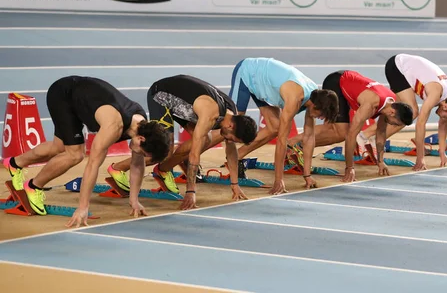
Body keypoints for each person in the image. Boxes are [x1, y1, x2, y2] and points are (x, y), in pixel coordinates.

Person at [2, 76, 170, 227]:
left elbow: (137, 164)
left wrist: (134, 200)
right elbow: (92, 166)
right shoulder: (113, 127)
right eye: (143, 153)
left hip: (83, 97)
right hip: (64, 94)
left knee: (58, 147)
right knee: (75, 154)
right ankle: (33, 186)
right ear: (141, 140)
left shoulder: (143, 126)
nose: (140, 156)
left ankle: (15, 163)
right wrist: (83, 207)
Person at [106, 74, 258, 210]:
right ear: (231, 127)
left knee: (207, 139)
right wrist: (190, 191)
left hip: (186, 106)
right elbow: (194, 154)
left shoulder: (232, 114)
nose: (229, 140)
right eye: (232, 138)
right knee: (165, 150)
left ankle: (163, 170)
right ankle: (118, 168)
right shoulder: (210, 115)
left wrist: (235, 184)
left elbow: (231, 152)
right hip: (162, 96)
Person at [216, 57, 339, 195]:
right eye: (322, 115)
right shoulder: (295, 98)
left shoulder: (315, 97)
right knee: (230, 126)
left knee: (274, 127)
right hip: (248, 73)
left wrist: (307, 175)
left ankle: (237, 158)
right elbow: (282, 141)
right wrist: (278, 179)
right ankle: (192, 155)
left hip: (264, 85)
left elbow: (309, 137)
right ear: (316, 106)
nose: (321, 118)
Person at [288, 70, 414, 183]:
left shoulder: (390, 104)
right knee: (342, 132)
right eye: (395, 123)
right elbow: (351, 136)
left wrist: (380, 162)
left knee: (335, 130)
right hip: (337, 83)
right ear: (392, 113)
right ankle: (293, 144)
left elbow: (380, 132)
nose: (392, 125)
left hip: (350, 82)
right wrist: (349, 168)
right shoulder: (370, 105)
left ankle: (297, 145)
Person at [361, 54, 447, 171]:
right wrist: (420, 158)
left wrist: (442, 153)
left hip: (406, 70)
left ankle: (367, 137)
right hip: (398, 67)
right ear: (446, 107)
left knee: (395, 110)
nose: (445, 118)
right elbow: (420, 124)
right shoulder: (435, 93)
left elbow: (442, 125)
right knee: (412, 112)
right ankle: (366, 136)